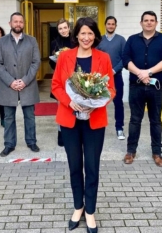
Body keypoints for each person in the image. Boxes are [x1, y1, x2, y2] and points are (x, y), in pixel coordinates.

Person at [51, 17, 115, 233]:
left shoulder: (104, 58)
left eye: (90, 33)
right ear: (75, 35)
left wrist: (95, 103)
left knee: (92, 167)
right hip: (69, 119)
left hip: (94, 120)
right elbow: (56, 85)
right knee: (75, 166)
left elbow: (111, 89)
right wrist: (70, 102)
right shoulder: (65, 57)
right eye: (82, 33)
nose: (86, 37)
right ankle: (78, 207)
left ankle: (90, 211)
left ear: (95, 36)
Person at [122, 11, 162, 166]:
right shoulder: (132, 40)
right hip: (136, 86)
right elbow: (126, 59)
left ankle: (157, 153)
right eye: (146, 20)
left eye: (152, 20)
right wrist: (140, 73)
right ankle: (131, 151)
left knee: (156, 120)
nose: (149, 23)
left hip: (156, 87)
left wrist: (149, 72)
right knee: (134, 120)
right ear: (141, 23)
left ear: (156, 23)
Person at [0, 12, 41, 157]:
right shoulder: (1, 41)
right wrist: (11, 81)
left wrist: (25, 80)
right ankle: (9, 144)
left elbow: (36, 62)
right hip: (8, 86)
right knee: (8, 118)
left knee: (30, 116)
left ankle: (31, 141)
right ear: (10, 24)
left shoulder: (31, 41)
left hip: (28, 85)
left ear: (23, 24)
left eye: (21, 21)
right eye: (15, 21)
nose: (18, 24)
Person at [97, 16, 126, 140]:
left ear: (115, 25)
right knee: (98, 103)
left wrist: (113, 70)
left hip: (116, 76)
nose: (110, 26)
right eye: (108, 24)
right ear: (105, 25)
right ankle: (97, 127)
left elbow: (125, 58)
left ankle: (119, 128)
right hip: (101, 78)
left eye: (113, 24)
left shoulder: (121, 40)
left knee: (118, 103)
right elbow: (96, 58)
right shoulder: (99, 40)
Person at [49, 18, 76, 146]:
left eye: (65, 28)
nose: (63, 30)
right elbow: (50, 62)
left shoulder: (75, 41)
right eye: (60, 28)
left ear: (69, 28)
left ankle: (75, 134)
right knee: (62, 108)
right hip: (61, 79)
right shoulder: (54, 43)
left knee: (76, 105)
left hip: (75, 79)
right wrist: (57, 62)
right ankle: (61, 134)